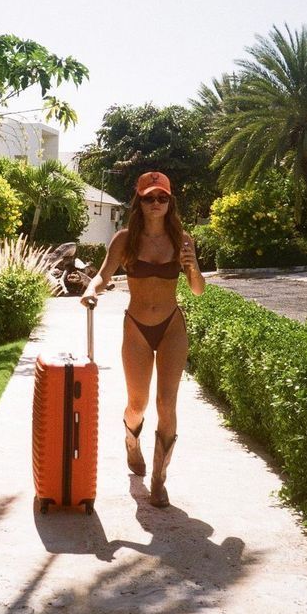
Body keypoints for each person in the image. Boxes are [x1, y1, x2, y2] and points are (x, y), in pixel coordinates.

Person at [81, 171, 205, 507]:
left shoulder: (181, 238)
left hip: (171, 327)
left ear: (170, 202)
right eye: (149, 198)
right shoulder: (124, 239)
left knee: (167, 403)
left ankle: (159, 479)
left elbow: (197, 290)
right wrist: (90, 291)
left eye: (162, 198)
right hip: (136, 327)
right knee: (138, 404)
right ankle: (131, 441)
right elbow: (103, 276)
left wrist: (193, 267)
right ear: (139, 201)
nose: (155, 203)